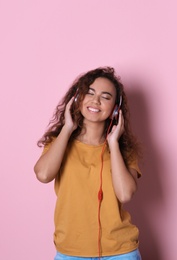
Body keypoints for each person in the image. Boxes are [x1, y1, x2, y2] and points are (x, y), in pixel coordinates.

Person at [34, 67, 142, 260]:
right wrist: (67, 128)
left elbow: (125, 194)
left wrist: (113, 144)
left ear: (115, 109)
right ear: (77, 99)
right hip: (71, 251)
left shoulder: (125, 150)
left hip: (121, 251)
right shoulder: (59, 143)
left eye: (105, 96)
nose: (96, 101)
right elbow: (43, 175)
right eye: (89, 93)